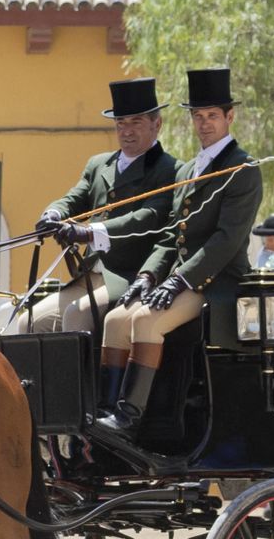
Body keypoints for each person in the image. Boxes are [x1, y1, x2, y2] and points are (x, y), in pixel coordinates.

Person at [95, 67, 264, 437]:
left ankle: (129, 418)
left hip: (217, 282)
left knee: (147, 321)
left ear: (229, 117)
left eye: (212, 116)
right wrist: (148, 275)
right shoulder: (189, 169)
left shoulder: (243, 169)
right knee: (115, 320)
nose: (204, 124)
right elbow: (172, 235)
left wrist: (177, 281)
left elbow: (226, 240)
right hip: (181, 279)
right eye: (197, 116)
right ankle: (105, 412)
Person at [20, 77, 179, 333]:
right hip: (87, 276)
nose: (126, 131)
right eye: (120, 123)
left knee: (76, 317)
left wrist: (90, 231)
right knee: (28, 320)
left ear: (156, 124)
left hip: (127, 275)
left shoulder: (169, 169)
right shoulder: (99, 164)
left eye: (136, 122)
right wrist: (54, 213)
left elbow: (149, 217)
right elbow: (75, 198)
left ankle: (92, 375)